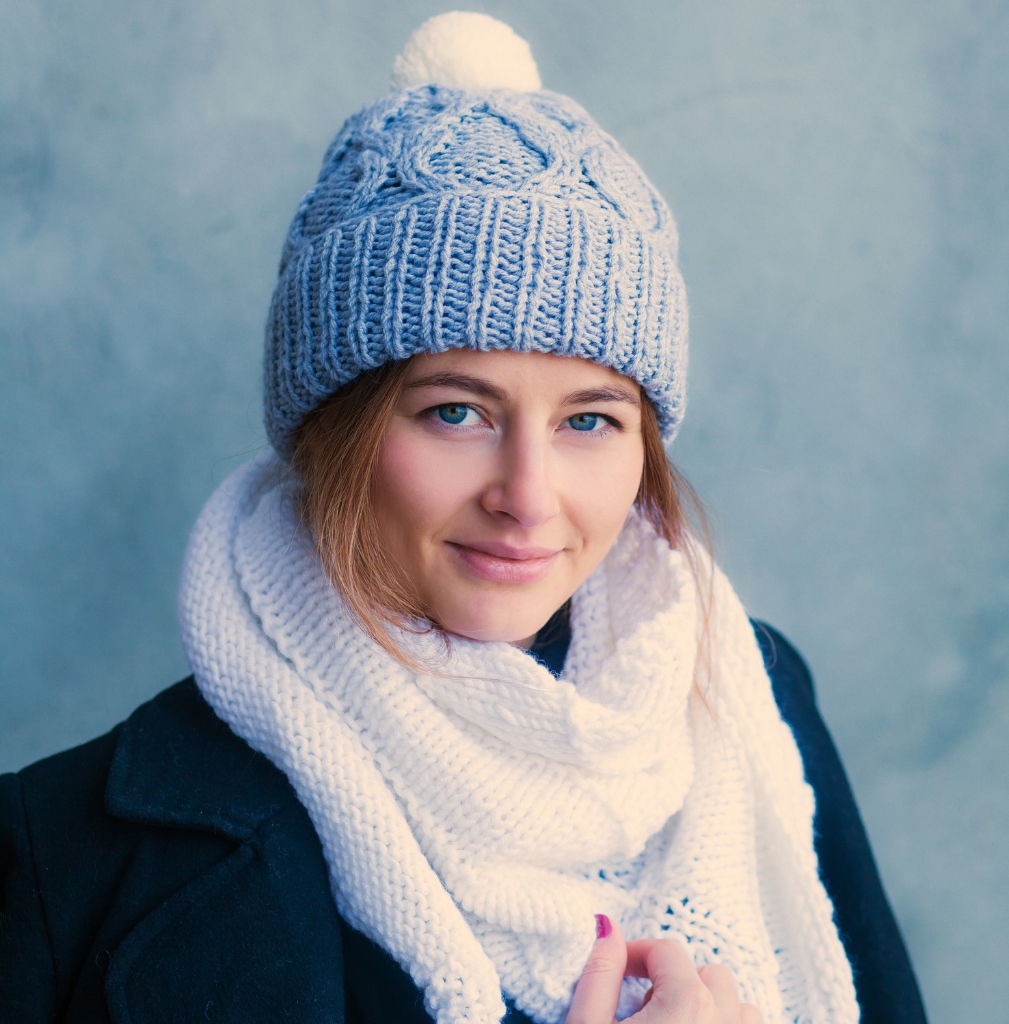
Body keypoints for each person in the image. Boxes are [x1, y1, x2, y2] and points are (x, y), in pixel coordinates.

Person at [0, 12, 927, 1024]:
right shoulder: (59, 847)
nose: (526, 496)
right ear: (333, 430)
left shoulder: (754, 701)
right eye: (456, 412)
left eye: (588, 420)